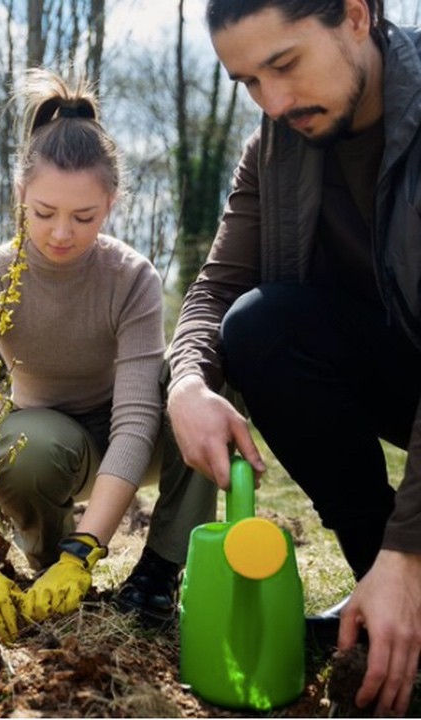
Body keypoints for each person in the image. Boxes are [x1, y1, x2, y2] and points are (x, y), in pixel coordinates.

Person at [129, 0, 421, 714]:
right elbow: (217, 286)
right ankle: (384, 605)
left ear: (355, 14)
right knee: (259, 326)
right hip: (400, 372)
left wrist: (410, 553)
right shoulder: (278, 144)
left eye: (284, 65)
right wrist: (187, 384)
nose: (275, 101)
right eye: (249, 83)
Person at [0, 68, 165, 642]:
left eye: (84, 217)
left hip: (131, 436)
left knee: (200, 395)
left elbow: (136, 421)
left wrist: (87, 548)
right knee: (24, 447)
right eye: (43, 213)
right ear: (20, 196)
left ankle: (160, 572)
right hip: (51, 440)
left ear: (110, 203)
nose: (61, 233)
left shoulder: (132, 277)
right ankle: (44, 561)